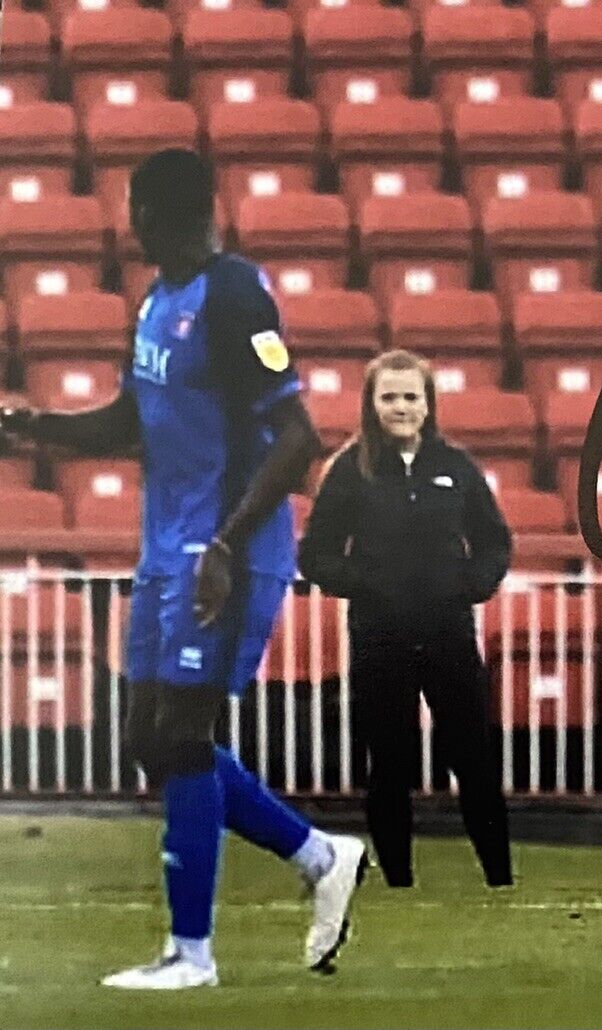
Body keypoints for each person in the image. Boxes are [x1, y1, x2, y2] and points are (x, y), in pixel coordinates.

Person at [0, 147, 368, 986]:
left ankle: (191, 953)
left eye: (136, 210)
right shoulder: (158, 301)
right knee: (148, 740)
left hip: (223, 552)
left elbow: (300, 438)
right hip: (166, 549)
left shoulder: (233, 294)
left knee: (184, 735)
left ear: (160, 215)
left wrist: (231, 546)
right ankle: (318, 855)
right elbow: (133, 418)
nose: (129, 225)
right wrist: (33, 428)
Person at [298, 350, 514, 890]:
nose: (401, 407)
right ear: (371, 405)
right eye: (389, 397)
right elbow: (316, 552)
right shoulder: (349, 469)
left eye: (411, 396)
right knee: (389, 766)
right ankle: (398, 883)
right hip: (379, 638)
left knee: (474, 762)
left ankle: (500, 879)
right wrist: (362, 583)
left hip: (449, 636)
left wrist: (470, 585)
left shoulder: (457, 467)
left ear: (428, 403)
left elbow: (494, 542)